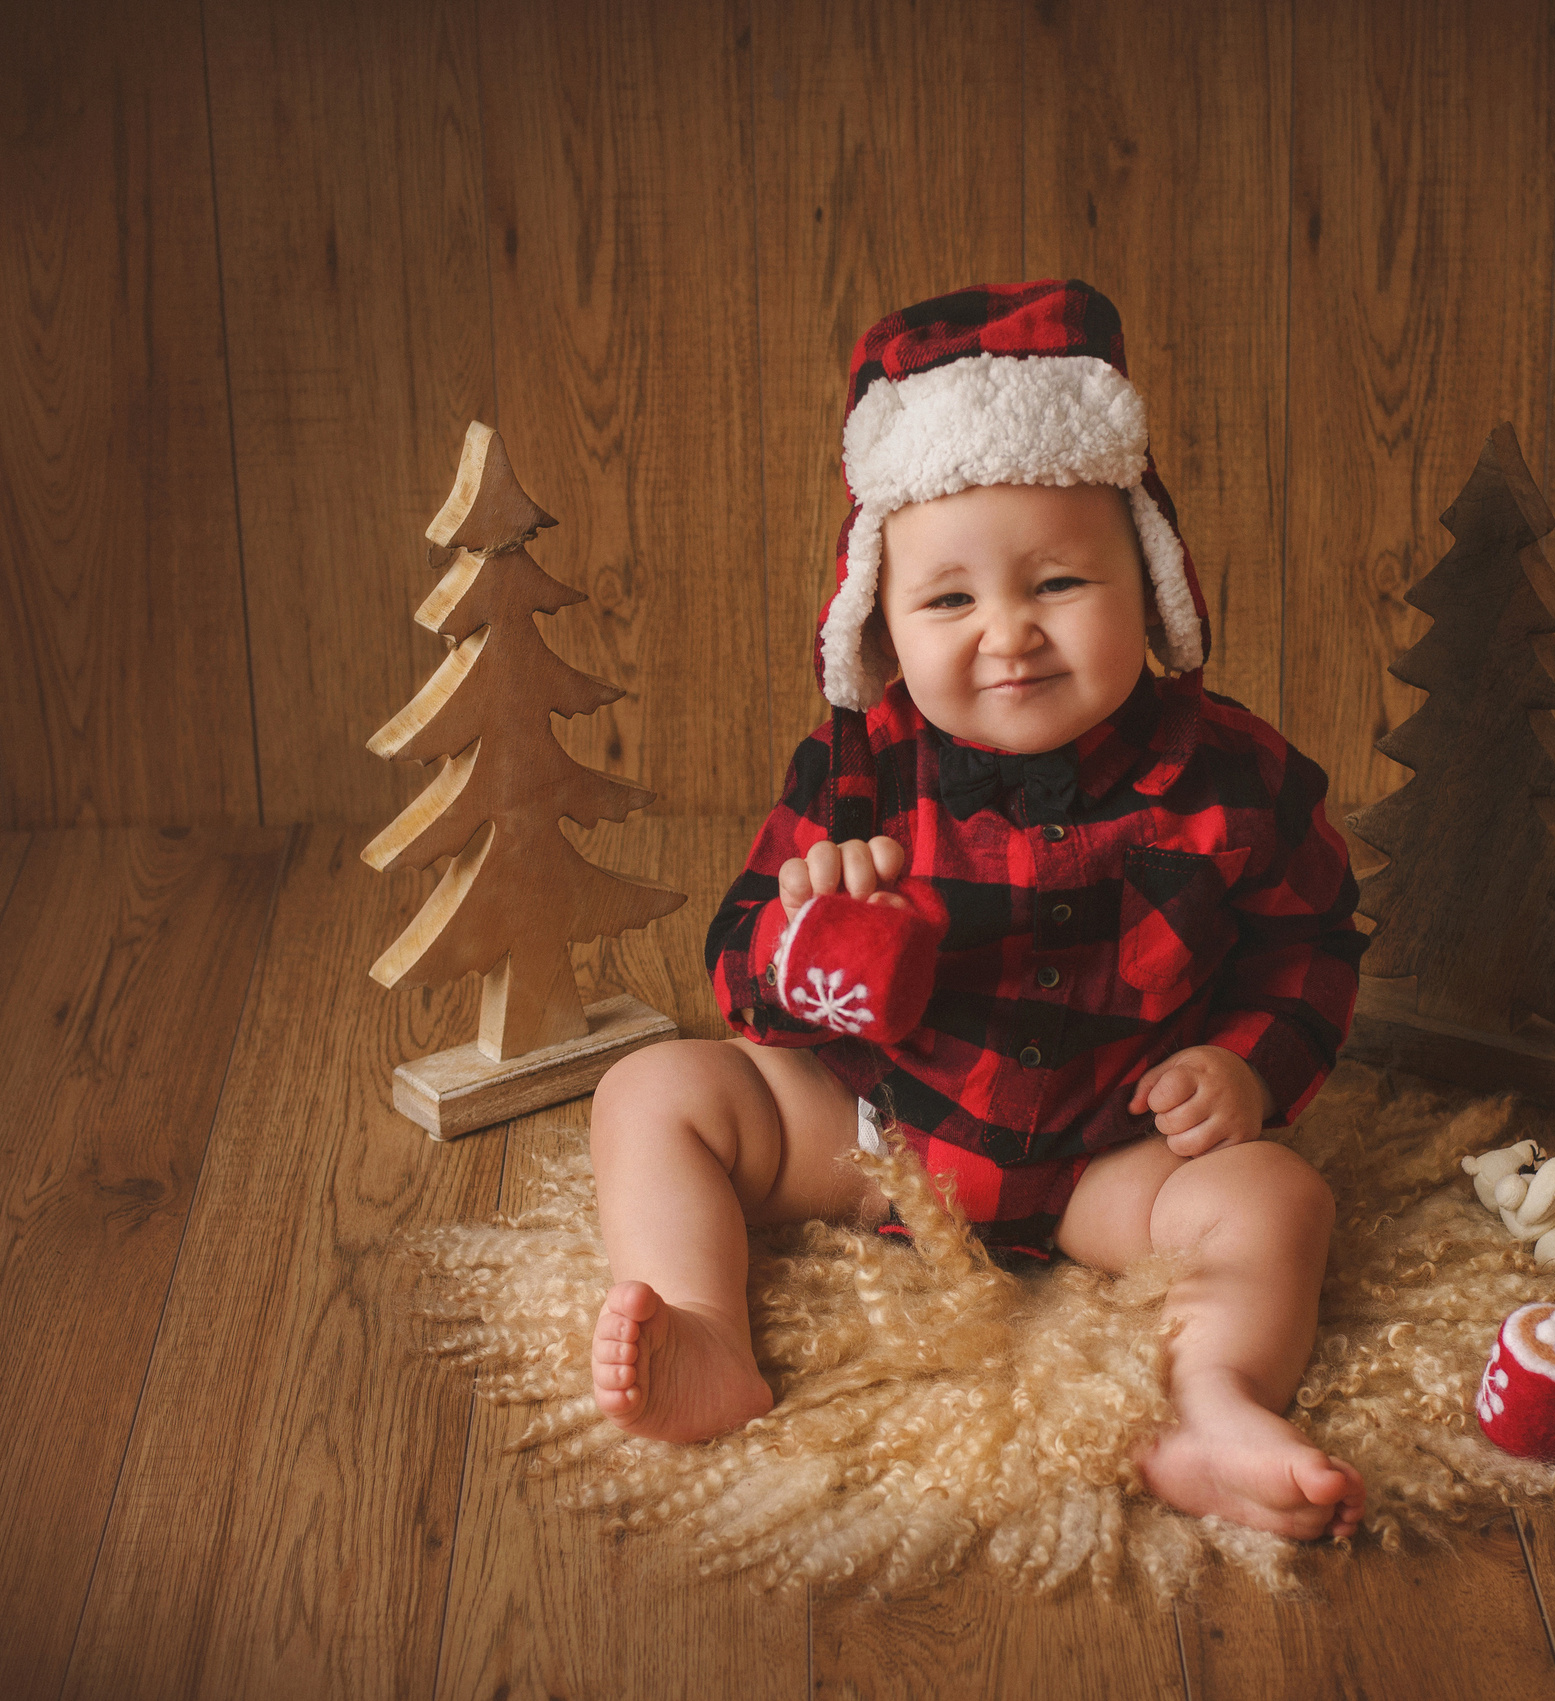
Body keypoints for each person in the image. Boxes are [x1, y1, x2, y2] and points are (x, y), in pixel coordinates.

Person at [586, 280, 1369, 1540]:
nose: (1007, 632)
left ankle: (1213, 1399)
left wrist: (1244, 1063)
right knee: (651, 1090)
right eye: (949, 601)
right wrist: (805, 941)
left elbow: (1310, 942)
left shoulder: (1234, 776)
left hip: (1105, 1160)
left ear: (1151, 582)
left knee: (1280, 1197)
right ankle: (703, 1327)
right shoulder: (856, 779)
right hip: (874, 1123)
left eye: (1059, 582)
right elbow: (735, 960)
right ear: (883, 627)